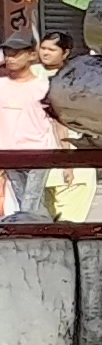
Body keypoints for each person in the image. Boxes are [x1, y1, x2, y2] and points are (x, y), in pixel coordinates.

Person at [0, 40, 56, 219]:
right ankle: (50, 235)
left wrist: (66, 157)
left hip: (39, 153)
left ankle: (40, 238)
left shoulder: (44, 87)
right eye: (7, 53)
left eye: (16, 53)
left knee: (29, 203)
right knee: (26, 200)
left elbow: (57, 122)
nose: (10, 58)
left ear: (32, 55)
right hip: (9, 154)